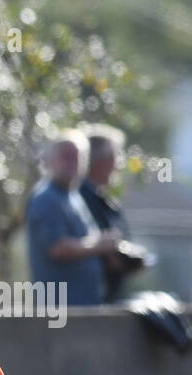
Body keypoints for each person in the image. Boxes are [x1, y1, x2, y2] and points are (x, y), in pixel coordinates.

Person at [25, 130, 122, 307]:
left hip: (84, 306)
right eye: (65, 156)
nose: (71, 163)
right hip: (59, 311)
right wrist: (99, 245)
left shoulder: (74, 196)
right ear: (49, 161)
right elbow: (57, 248)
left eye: (76, 158)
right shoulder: (46, 198)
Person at [79, 124, 146, 302]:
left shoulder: (100, 198)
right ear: (101, 161)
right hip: (88, 299)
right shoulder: (80, 199)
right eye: (115, 156)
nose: (118, 164)